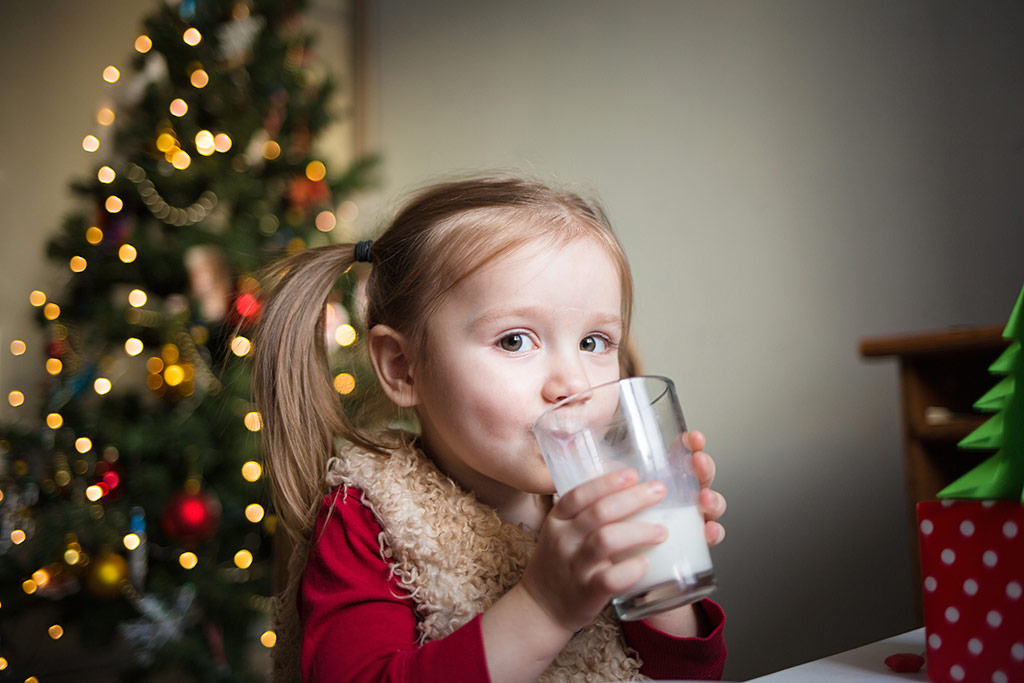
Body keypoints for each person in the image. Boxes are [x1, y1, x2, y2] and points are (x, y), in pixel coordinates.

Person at [253, 176, 728, 682]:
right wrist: (545, 608)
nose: (572, 383)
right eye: (515, 340)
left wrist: (661, 578)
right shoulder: (367, 518)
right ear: (403, 367)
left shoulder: (603, 494)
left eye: (593, 342)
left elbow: (685, 676)